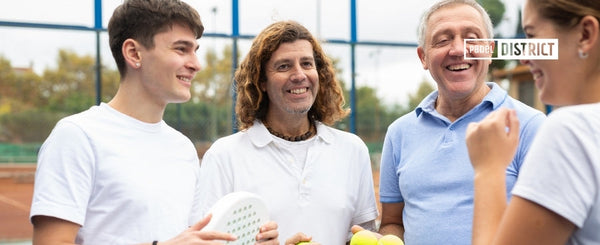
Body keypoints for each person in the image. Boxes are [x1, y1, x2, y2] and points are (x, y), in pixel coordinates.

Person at [28, 0, 278, 244]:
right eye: (181, 49)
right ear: (134, 53)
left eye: (195, 50)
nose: (196, 64)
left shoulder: (183, 148)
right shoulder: (77, 136)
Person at [374, 0, 547, 244]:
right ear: (423, 57)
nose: (458, 49)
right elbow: (393, 222)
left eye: (472, 38)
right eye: (443, 40)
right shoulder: (399, 132)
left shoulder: (532, 126)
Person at [197, 20, 379, 245]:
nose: (299, 74)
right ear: (261, 81)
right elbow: (202, 240)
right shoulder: (224, 155)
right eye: (284, 66)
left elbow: (361, 233)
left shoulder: (352, 149)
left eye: (307, 63)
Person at [466, 0, 600, 244]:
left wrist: (488, 169)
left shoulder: (571, 131)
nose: (525, 56)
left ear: (585, 34)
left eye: (532, 36)